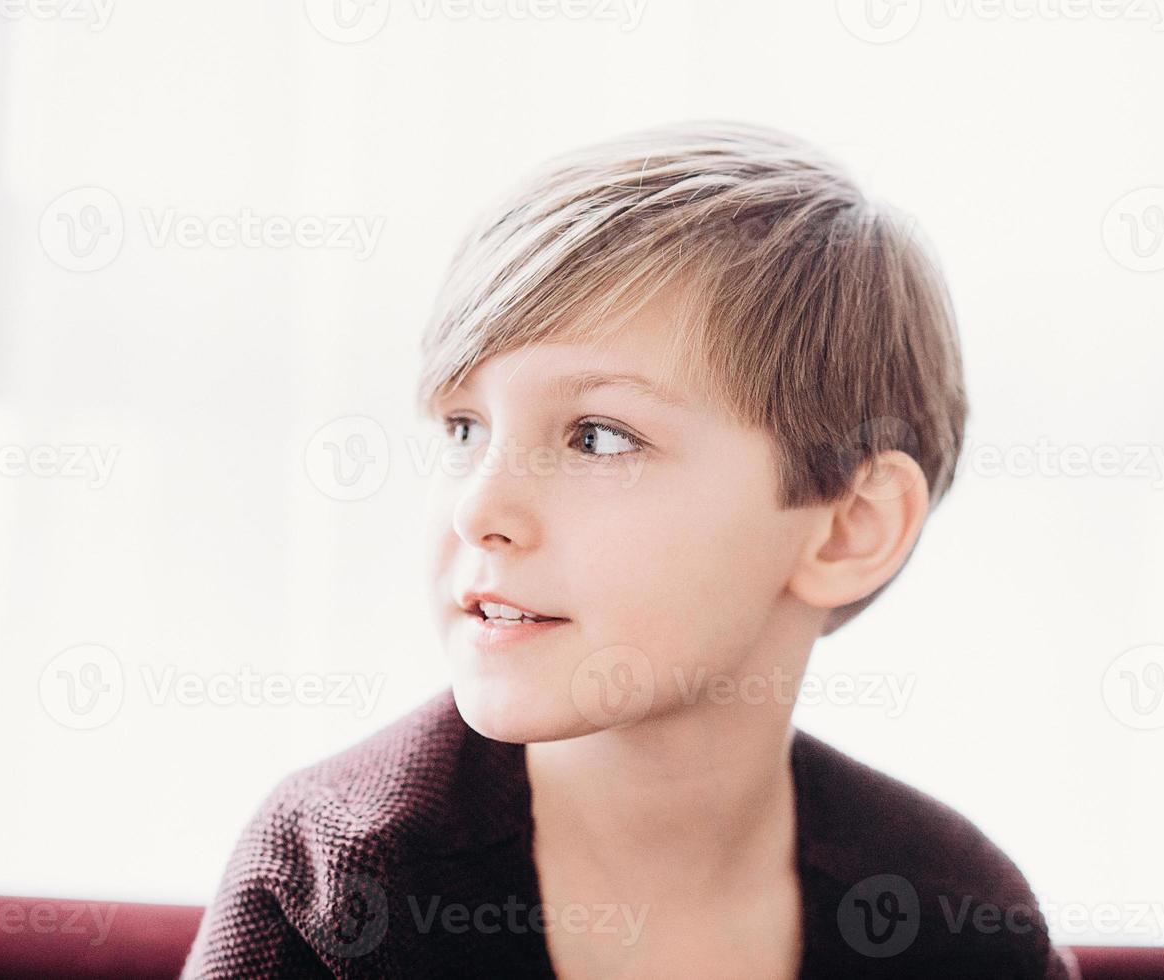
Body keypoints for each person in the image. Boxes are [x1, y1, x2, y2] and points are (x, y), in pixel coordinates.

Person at [181, 120, 1079, 979]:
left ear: (849, 526)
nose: (480, 506)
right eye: (464, 428)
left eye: (598, 438)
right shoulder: (338, 880)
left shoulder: (954, 917)